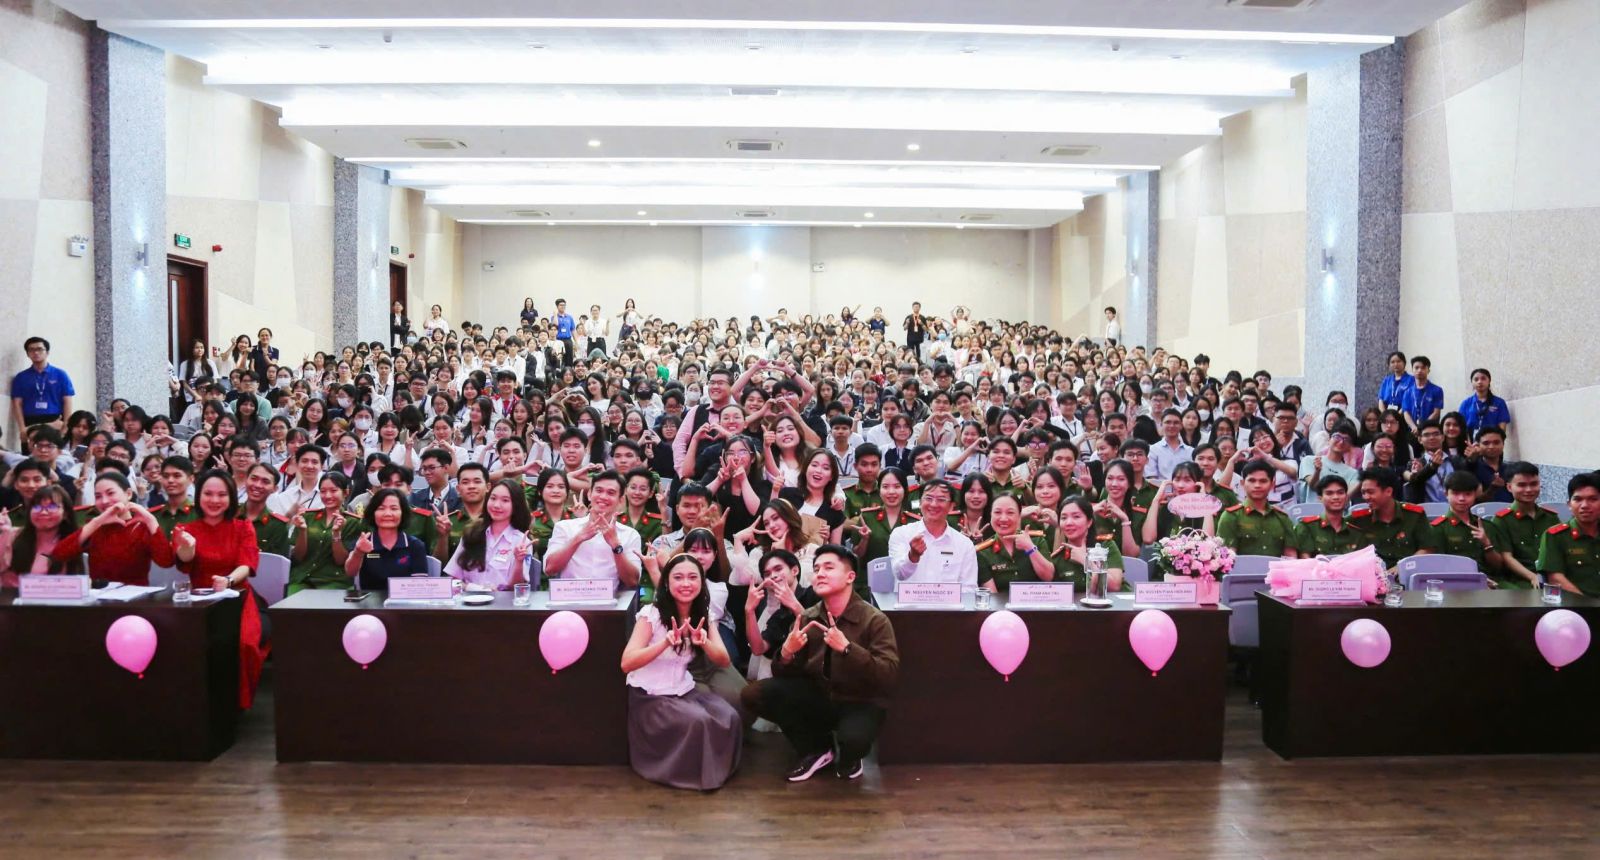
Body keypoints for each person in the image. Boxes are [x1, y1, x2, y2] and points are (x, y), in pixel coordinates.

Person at [740, 545, 899, 782]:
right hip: (821, 696)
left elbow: (888, 675)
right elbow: (784, 674)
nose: (820, 573)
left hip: (860, 700)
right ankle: (817, 749)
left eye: (828, 567)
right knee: (755, 694)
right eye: (816, 569)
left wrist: (848, 649)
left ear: (850, 577)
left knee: (854, 740)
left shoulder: (874, 619)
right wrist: (786, 654)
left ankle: (850, 757)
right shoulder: (808, 617)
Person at [620, 554, 742, 791]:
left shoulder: (704, 615)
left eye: (692, 577)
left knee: (729, 716)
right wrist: (664, 643)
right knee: (699, 722)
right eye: (678, 577)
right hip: (651, 696)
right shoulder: (652, 614)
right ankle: (688, 773)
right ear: (667, 582)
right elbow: (627, 663)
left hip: (684, 690)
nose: (686, 583)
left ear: (701, 582)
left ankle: (714, 770)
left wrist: (704, 642)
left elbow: (723, 659)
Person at [172, 470, 267, 709]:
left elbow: (247, 564)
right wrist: (187, 546)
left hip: (237, 597)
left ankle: (237, 705)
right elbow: (184, 561)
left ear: (231, 497)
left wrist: (228, 580)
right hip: (199, 601)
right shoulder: (185, 528)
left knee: (245, 645)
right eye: (208, 494)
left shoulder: (243, 527)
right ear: (198, 496)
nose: (215, 500)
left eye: (222, 495)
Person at [50, 472, 172, 583]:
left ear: (128, 494)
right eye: (98, 496)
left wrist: (151, 521)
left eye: (110, 493)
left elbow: (165, 561)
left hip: (135, 598)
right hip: (98, 597)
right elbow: (58, 555)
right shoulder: (95, 527)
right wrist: (96, 522)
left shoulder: (142, 527)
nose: (104, 501)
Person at [544, 469, 642, 587]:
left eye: (611, 493)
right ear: (590, 494)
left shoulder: (630, 534)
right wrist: (578, 538)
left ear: (620, 500)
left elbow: (633, 581)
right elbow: (550, 569)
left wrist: (616, 546)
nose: (603, 497)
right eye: (599, 491)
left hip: (610, 597)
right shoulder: (564, 527)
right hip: (570, 596)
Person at [443, 479, 533, 590]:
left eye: (505, 500)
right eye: (493, 498)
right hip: (468, 599)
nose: (496, 505)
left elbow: (518, 589)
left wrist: (519, 561)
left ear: (516, 506)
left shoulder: (521, 542)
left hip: (503, 600)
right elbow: (453, 579)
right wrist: (474, 589)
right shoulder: (472, 533)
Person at [886, 479, 978, 588]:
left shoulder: (965, 545)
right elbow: (899, 574)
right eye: (928, 498)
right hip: (910, 599)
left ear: (951, 506)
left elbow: (969, 588)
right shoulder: (901, 534)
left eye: (941, 499)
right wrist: (912, 556)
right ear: (920, 502)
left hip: (948, 599)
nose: (934, 504)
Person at [1486, 462, 1559, 590]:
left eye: (1534, 484)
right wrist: (1532, 577)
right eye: (1522, 485)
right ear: (1509, 487)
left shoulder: (1550, 517)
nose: (1529, 490)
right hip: (1518, 579)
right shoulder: (1502, 520)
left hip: (1551, 576)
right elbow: (1507, 557)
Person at [340, 488, 431, 590]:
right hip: (370, 599)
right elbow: (350, 573)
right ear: (373, 513)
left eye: (394, 509)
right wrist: (358, 552)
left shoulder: (415, 545)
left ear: (403, 513)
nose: (387, 514)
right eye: (381, 508)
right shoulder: (364, 542)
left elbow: (419, 586)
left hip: (404, 598)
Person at [290, 473, 361, 595]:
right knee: (291, 603)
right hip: (302, 578)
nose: (327, 496)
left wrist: (336, 534)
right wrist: (302, 531)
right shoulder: (307, 517)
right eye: (323, 491)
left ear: (345, 493)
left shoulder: (353, 522)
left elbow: (341, 561)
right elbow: (298, 557)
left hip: (334, 581)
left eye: (333, 491)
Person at [0, 485, 81, 587]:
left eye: (52, 507)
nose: (43, 512)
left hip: (57, 595)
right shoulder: (13, 535)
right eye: (37, 507)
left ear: (66, 513)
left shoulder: (72, 541)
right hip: (12, 595)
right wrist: (4, 533)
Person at [1419, 472, 1500, 574]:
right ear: (1446, 494)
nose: (1462, 499)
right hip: (1455, 579)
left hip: (1489, 578)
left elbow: (1498, 566)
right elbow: (1438, 566)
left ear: (1475, 495)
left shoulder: (1486, 526)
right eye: (1456, 494)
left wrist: (1487, 544)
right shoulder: (1437, 528)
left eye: (1468, 494)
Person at [973, 493, 1055, 592]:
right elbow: (992, 595)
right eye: (997, 512)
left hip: (1035, 600)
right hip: (1001, 602)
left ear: (1019, 516)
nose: (1003, 519)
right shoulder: (983, 552)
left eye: (1010, 512)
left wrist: (1030, 548)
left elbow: (1048, 577)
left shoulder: (1036, 540)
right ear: (990, 515)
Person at [1216, 460, 1298, 558]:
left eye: (1263, 481)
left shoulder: (1282, 517)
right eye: (1252, 481)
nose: (1257, 485)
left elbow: (1290, 556)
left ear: (1272, 484)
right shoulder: (1231, 516)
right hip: (1242, 568)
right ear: (1242, 483)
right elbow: (1227, 558)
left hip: (1275, 568)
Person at [1353, 466, 1429, 570]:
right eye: (1363, 492)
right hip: (1372, 575)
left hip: (1409, 574)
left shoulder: (1414, 515)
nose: (1366, 497)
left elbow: (1427, 549)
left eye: (1370, 492)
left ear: (1388, 491)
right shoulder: (1359, 519)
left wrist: (1401, 568)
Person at [1537, 473, 1600, 597]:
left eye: (1593, 499)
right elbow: (1555, 578)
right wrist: (1591, 604)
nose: (1585, 505)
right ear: (1569, 504)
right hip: (1576, 603)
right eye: (1578, 499)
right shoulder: (1555, 536)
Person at [1292, 475, 1370, 557]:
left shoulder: (1356, 531)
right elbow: (1305, 559)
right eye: (1329, 493)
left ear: (1346, 497)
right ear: (1320, 498)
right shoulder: (1307, 527)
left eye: (1340, 493)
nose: (1336, 497)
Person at [11, 336, 74, 431]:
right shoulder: (21, 377)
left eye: (39, 349)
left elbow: (67, 401)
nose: (36, 352)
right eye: (31, 350)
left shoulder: (60, 374)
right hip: (30, 420)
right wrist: (22, 428)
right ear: (27, 354)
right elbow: (17, 403)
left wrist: (66, 425)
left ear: (47, 352)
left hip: (55, 419)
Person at [1458, 368, 1510, 435]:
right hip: (1470, 440)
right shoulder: (1466, 403)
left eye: (1483, 378)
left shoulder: (1499, 402)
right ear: (1472, 383)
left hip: (1492, 439)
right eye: (1476, 379)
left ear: (1489, 381)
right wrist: (1468, 441)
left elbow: (1502, 428)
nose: (1479, 382)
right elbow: (1461, 426)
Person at [1399, 355, 1444, 431]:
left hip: (1430, 430)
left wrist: (1423, 427)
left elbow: (1436, 413)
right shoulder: (1407, 392)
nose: (1419, 370)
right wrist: (1414, 427)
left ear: (1428, 370)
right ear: (1412, 370)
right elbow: (1406, 413)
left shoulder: (1437, 390)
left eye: (1423, 368)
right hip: (1412, 430)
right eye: (1416, 368)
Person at [553, 298, 576, 366]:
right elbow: (555, 325)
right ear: (557, 306)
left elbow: (573, 330)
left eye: (564, 305)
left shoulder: (569, 317)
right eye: (561, 305)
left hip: (568, 340)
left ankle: (569, 370)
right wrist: (555, 315)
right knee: (559, 358)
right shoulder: (554, 317)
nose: (563, 306)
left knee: (569, 358)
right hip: (558, 339)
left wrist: (576, 342)